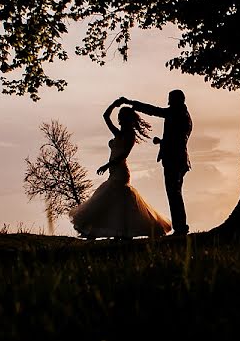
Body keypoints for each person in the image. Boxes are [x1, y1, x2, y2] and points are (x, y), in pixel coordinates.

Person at [69, 99, 171, 240]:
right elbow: (106, 117)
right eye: (119, 117)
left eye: (121, 117)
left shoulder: (130, 135)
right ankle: (110, 231)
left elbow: (124, 154)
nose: (119, 120)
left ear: (126, 119)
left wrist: (107, 165)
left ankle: (113, 232)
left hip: (120, 171)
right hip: (113, 171)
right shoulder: (118, 133)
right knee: (114, 202)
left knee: (111, 199)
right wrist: (114, 104)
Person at [121, 90, 192, 235]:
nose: (169, 102)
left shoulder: (177, 114)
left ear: (177, 100)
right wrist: (162, 141)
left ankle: (181, 227)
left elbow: (154, 111)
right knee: (175, 193)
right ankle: (180, 226)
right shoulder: (182, 115)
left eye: (171, 99)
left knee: (174, 194)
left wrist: (132, 103)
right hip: (178, 159)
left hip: (175, 160)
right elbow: (178, 138)